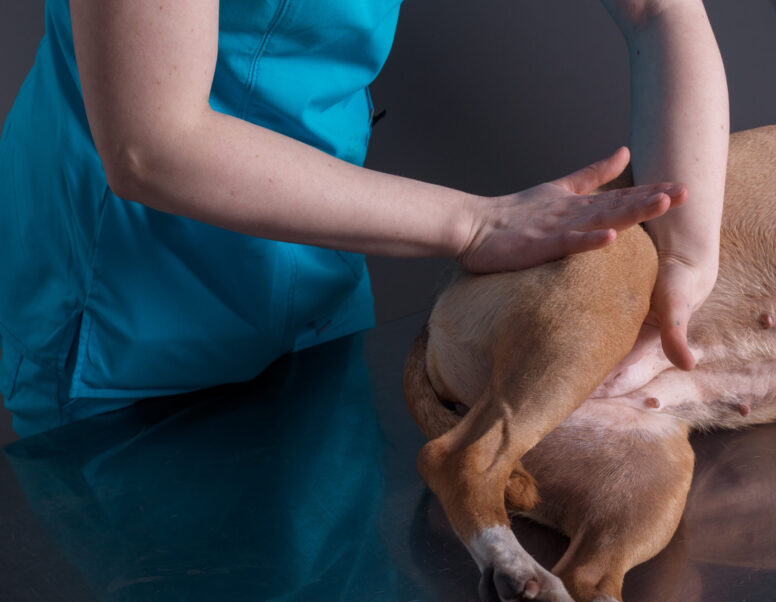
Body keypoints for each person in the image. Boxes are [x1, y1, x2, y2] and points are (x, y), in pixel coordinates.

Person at [0, 0, 727, 437]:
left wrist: (687, 261)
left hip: (319, 254)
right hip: (127, 301)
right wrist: (476, 225)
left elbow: (658, 11)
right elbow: (152, 146)